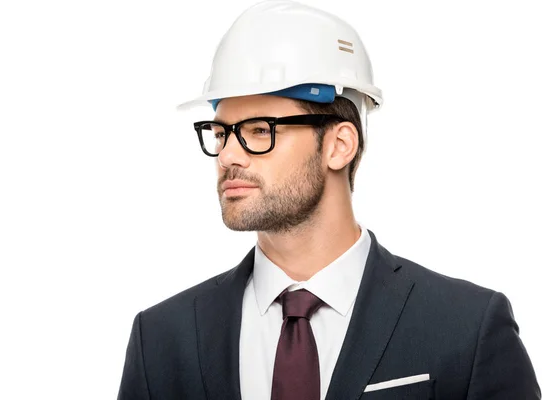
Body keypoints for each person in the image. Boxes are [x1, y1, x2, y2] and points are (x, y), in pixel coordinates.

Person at [116, 1, 541, 399]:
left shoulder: (465, 327)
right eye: (221, 132)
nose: (227, 155)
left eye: (260, 130)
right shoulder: (161, 340)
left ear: (339, 145)